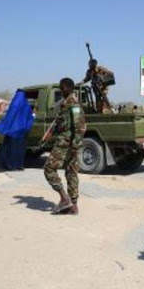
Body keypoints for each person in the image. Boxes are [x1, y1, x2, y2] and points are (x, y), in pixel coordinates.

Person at [43, 77, 86, 215]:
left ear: (67, 87)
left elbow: (79, 125)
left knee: (49, 168)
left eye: (61, 88)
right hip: (68, 142)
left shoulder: (73, 102)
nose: (61, 91)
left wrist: (75, 146)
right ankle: (73, 207)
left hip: (66, 143)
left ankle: (64, 198)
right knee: (71, 172)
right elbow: (63, 122)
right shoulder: (66, 102)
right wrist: (51, 132)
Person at [0, 90, 35, 171]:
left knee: (10, 149)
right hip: (22, 132)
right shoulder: (26, 105)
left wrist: (4, 126)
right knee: (20, 149)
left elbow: (9, 117)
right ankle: (19, 165)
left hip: (12, 132)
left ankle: (10, 165)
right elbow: (30, 118)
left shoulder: (14, 104)